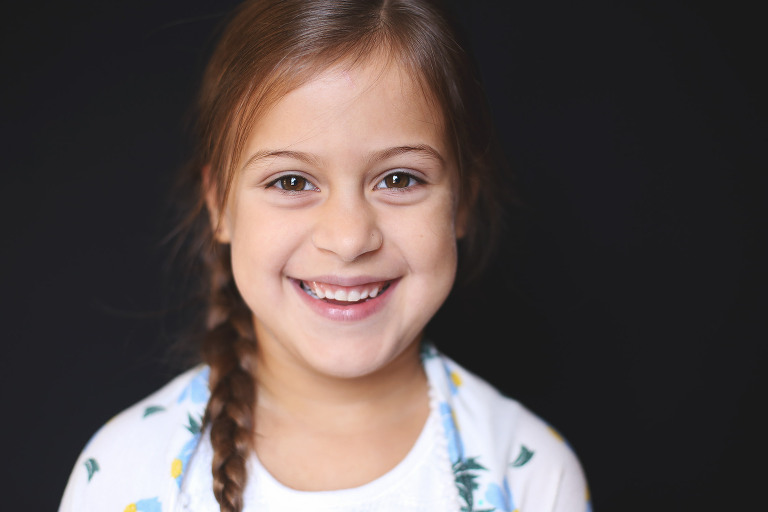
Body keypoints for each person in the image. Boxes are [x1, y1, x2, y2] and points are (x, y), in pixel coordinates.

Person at [58, 1, 591, 511]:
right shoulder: (123, 471)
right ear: (219, 204)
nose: (349, 236)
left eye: (399, 178)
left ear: (462, 202)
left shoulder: (530, 474)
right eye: (292, 181)